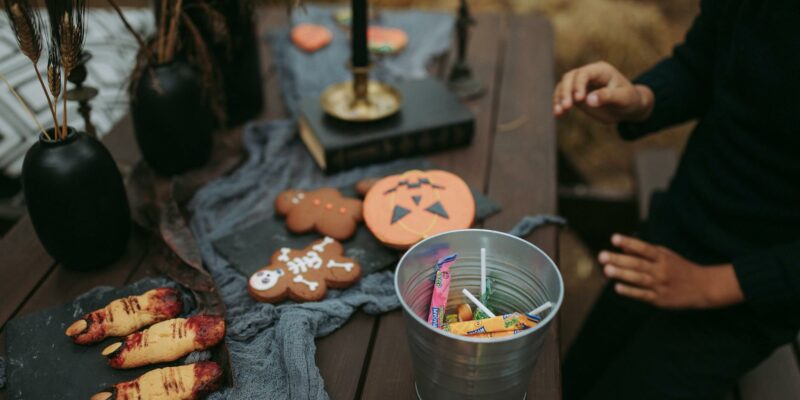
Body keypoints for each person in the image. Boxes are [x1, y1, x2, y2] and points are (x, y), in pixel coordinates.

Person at [554, 1, 800, 399]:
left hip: (757, 290)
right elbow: (703, 62)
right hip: (681, 224)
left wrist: (711, 285)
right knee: (567, 380)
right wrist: (641, 98)